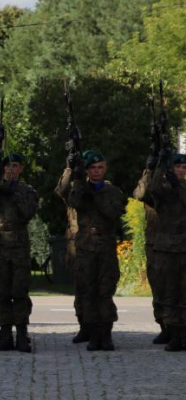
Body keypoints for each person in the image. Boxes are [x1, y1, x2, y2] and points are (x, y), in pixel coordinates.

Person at [56, 150, 125, 351]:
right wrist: (73, 174)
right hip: (85, 248)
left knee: (105, 291)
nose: (96, 171)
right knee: (88, 292)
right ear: (87, 170)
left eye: (100, 167)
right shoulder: (80, 188)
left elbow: (113, 213)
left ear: (105, 168)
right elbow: (71, 200)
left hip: (105, 248)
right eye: (92, 168)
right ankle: (93, 334)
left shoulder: (113, 192)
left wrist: (94, 196)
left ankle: (106, 334)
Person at [0, 153, 38, 352]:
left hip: (18, 247)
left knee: (19, 291)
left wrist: (13, 191)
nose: (11, 169)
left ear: (20, 169)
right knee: (1, 291)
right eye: (7, 166)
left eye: (15, 166)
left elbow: (27, 212)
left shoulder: (26, 190)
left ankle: (21, 333)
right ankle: (5, 333)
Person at [149, 153, 186, 351]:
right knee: (169, 291)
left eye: (184, 168)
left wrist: (178, 186)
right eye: (177, 167)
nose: (180, 170)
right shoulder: (164, 188)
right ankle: (174, 334)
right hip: (166, 248)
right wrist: (160, 167)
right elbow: (152, 189)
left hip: (184, 246)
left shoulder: (182, 188)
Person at [132, 159, 166, 344]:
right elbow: (141, 193)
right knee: (158, 287)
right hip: (155, 245)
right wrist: (149, 170)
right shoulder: (152, 186)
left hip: (178, 245)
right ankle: (164, 326)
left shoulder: (175, 187)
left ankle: (178, 328)